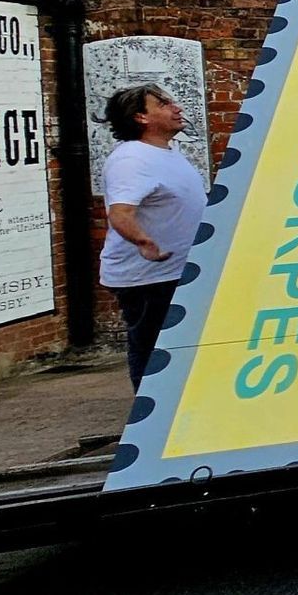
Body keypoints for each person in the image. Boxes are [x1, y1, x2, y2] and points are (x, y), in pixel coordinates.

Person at [95, 84, 206, 390]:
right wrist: (143, 241)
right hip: (148, 277)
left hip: (176, 271)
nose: (176, 107)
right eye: (163, 104)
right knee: (153, 349)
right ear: (141, 117)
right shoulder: (132, 160)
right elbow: (120, 212)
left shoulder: (167, 154)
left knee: (180, 349)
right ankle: (149, 426)